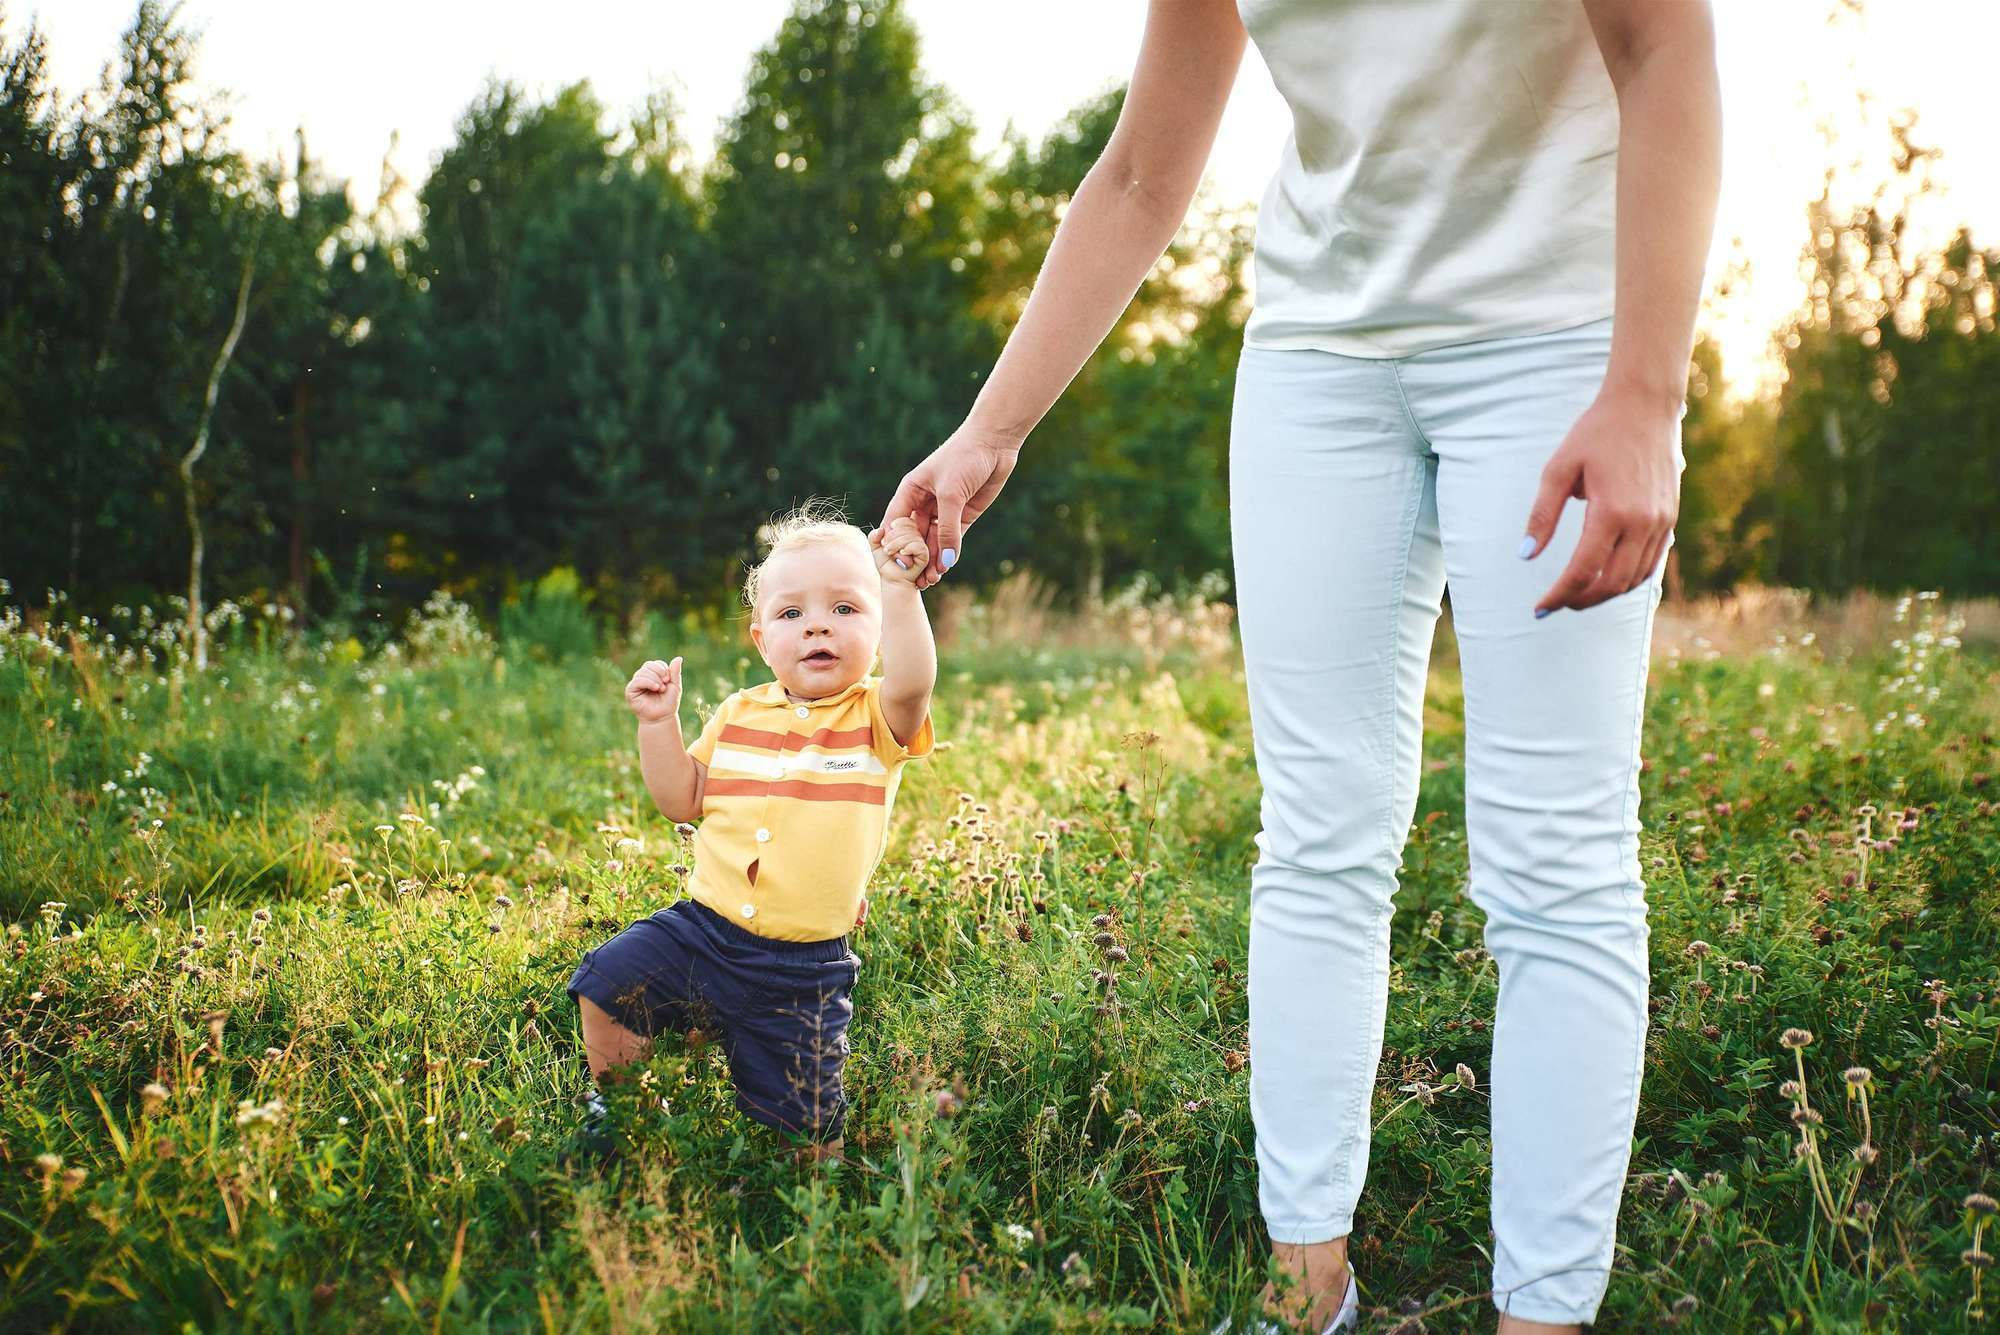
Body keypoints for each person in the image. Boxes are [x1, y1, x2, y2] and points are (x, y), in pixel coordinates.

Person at [874, 1, 1721, 1329]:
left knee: (1554, 857)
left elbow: (1664, 50)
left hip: (1557, 343)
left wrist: (1645, 392)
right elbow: (1147, 170)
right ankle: (1303, 1289)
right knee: (1318, 833)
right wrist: (994, 428)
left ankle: (1543, 1315)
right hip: (1322, 359)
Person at [567, 503, 937, 1161]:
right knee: (606, 984)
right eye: (791, 613)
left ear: (879, 633)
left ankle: (816, 1209)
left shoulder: (876, 715)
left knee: (810, 1137)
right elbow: (682, 798)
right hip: (703, 929)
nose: (818, 623)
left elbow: (914, 681)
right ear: (763, 640)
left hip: (802, 965)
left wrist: (901, 589)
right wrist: (659, 725)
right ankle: (623, 1115)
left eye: (847, 609)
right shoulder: (739, 713)